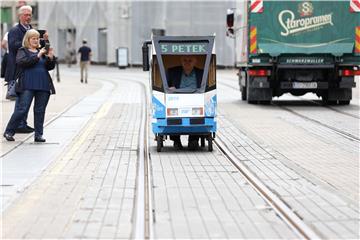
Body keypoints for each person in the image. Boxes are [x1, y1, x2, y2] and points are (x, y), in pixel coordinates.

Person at [3, 29, 56, 142]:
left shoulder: (41, 51)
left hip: (43, 85)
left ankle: (38, 135)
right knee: (22, 109)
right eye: (33, 38)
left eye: (37, 38)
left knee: (40, 111)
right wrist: (38, 55)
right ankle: (9, 131)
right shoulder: (22, 51)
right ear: (28, 39)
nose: (36, 40)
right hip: (27, 84)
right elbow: (24, 63)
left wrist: (51, 57)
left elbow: (49, 67)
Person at [5, 5, 49, 133]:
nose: (28, 17)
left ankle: (22, 124)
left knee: (25, 102)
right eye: (26, 14)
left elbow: (40, 48)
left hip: (31, 68)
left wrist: (42, 39)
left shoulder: (32, 30)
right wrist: (29, 41)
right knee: (21, 102)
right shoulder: (14, 30)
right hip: (18, 69)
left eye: (30, 14)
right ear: (20, 16)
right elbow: (13, 46)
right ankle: (17, 125)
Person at [167, 55, 203, 150]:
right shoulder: (172, 71)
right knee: (173, 115)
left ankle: (193, 140)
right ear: (181, 61)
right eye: (184, 60)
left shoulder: (201, 73)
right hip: (177, 99)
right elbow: (165, 86)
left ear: (195, 62)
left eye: (190, 60)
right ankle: (176, 140)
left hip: (195, 99)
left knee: (197, 117)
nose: (187, 62)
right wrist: (170, 89)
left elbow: (206, 87)